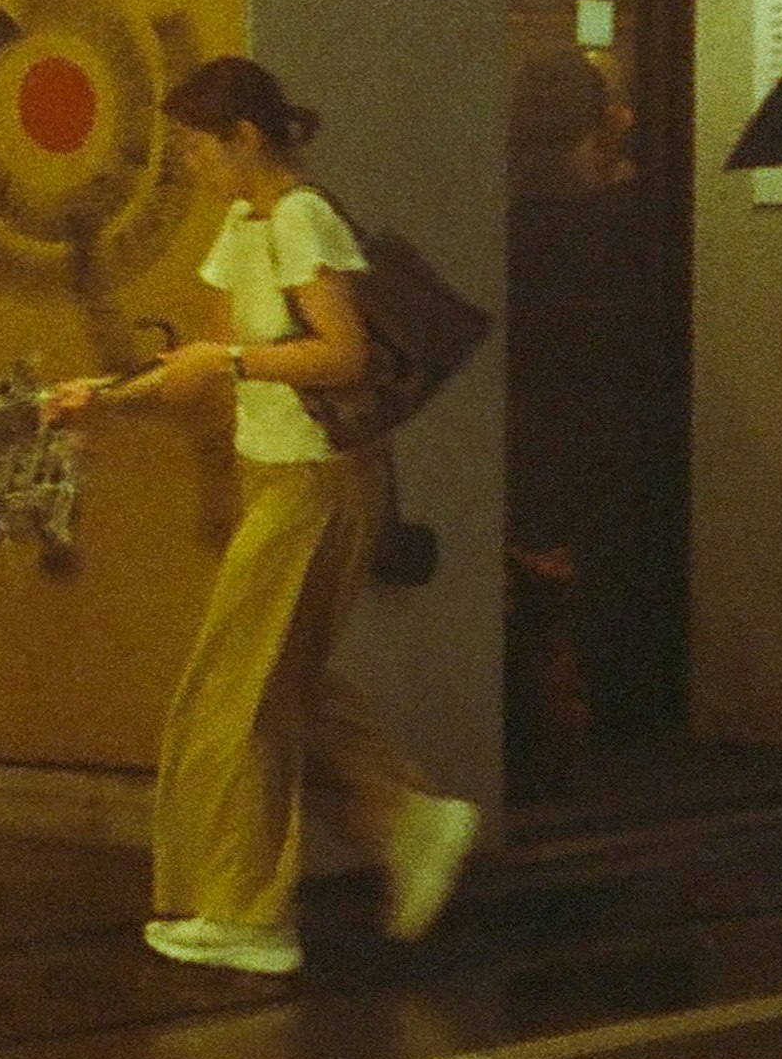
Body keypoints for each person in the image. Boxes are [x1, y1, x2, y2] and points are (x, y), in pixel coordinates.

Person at [44, 57, 483, 974]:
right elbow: (212, 365)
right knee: (281, 680)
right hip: (275, 477)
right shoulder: (241, 229)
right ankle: (408, 821)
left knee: (235, 694)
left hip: (319, 483)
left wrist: (233, 365)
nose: (190, 165)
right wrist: (107, 399)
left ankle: (249, 913)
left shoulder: (298, 218)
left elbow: (343, 355)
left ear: (244, 137)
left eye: (198, 147)